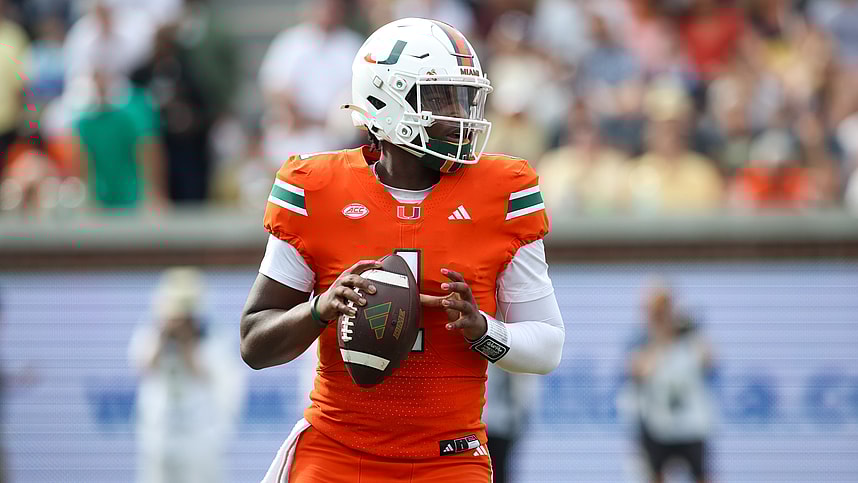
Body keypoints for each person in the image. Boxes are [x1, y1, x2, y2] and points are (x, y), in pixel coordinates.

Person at [240, 18, 565, 483]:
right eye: (442, 98)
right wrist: (320, 308)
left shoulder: (502, 191)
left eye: (465, 97)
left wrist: (482, 330)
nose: (461, 113)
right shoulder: (316, 188)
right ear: (386, 100)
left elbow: (548, 345)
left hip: (450, 457)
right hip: (337, 451)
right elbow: (254, 342)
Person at [129, 267, 246, 483]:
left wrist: (186, 341)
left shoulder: (213, 337)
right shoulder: (153, 332)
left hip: (199, 437)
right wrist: (164, 337)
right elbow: (143, 366)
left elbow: (208, 375)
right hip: (159, 436)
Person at [628, 282, 715, 483]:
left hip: (691, 423)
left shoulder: (690, 341)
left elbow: (709, 359)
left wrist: (686, 331)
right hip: (659, 424)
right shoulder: (644, 342)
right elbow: (639, 370)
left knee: (701, 475)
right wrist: (661, 339)